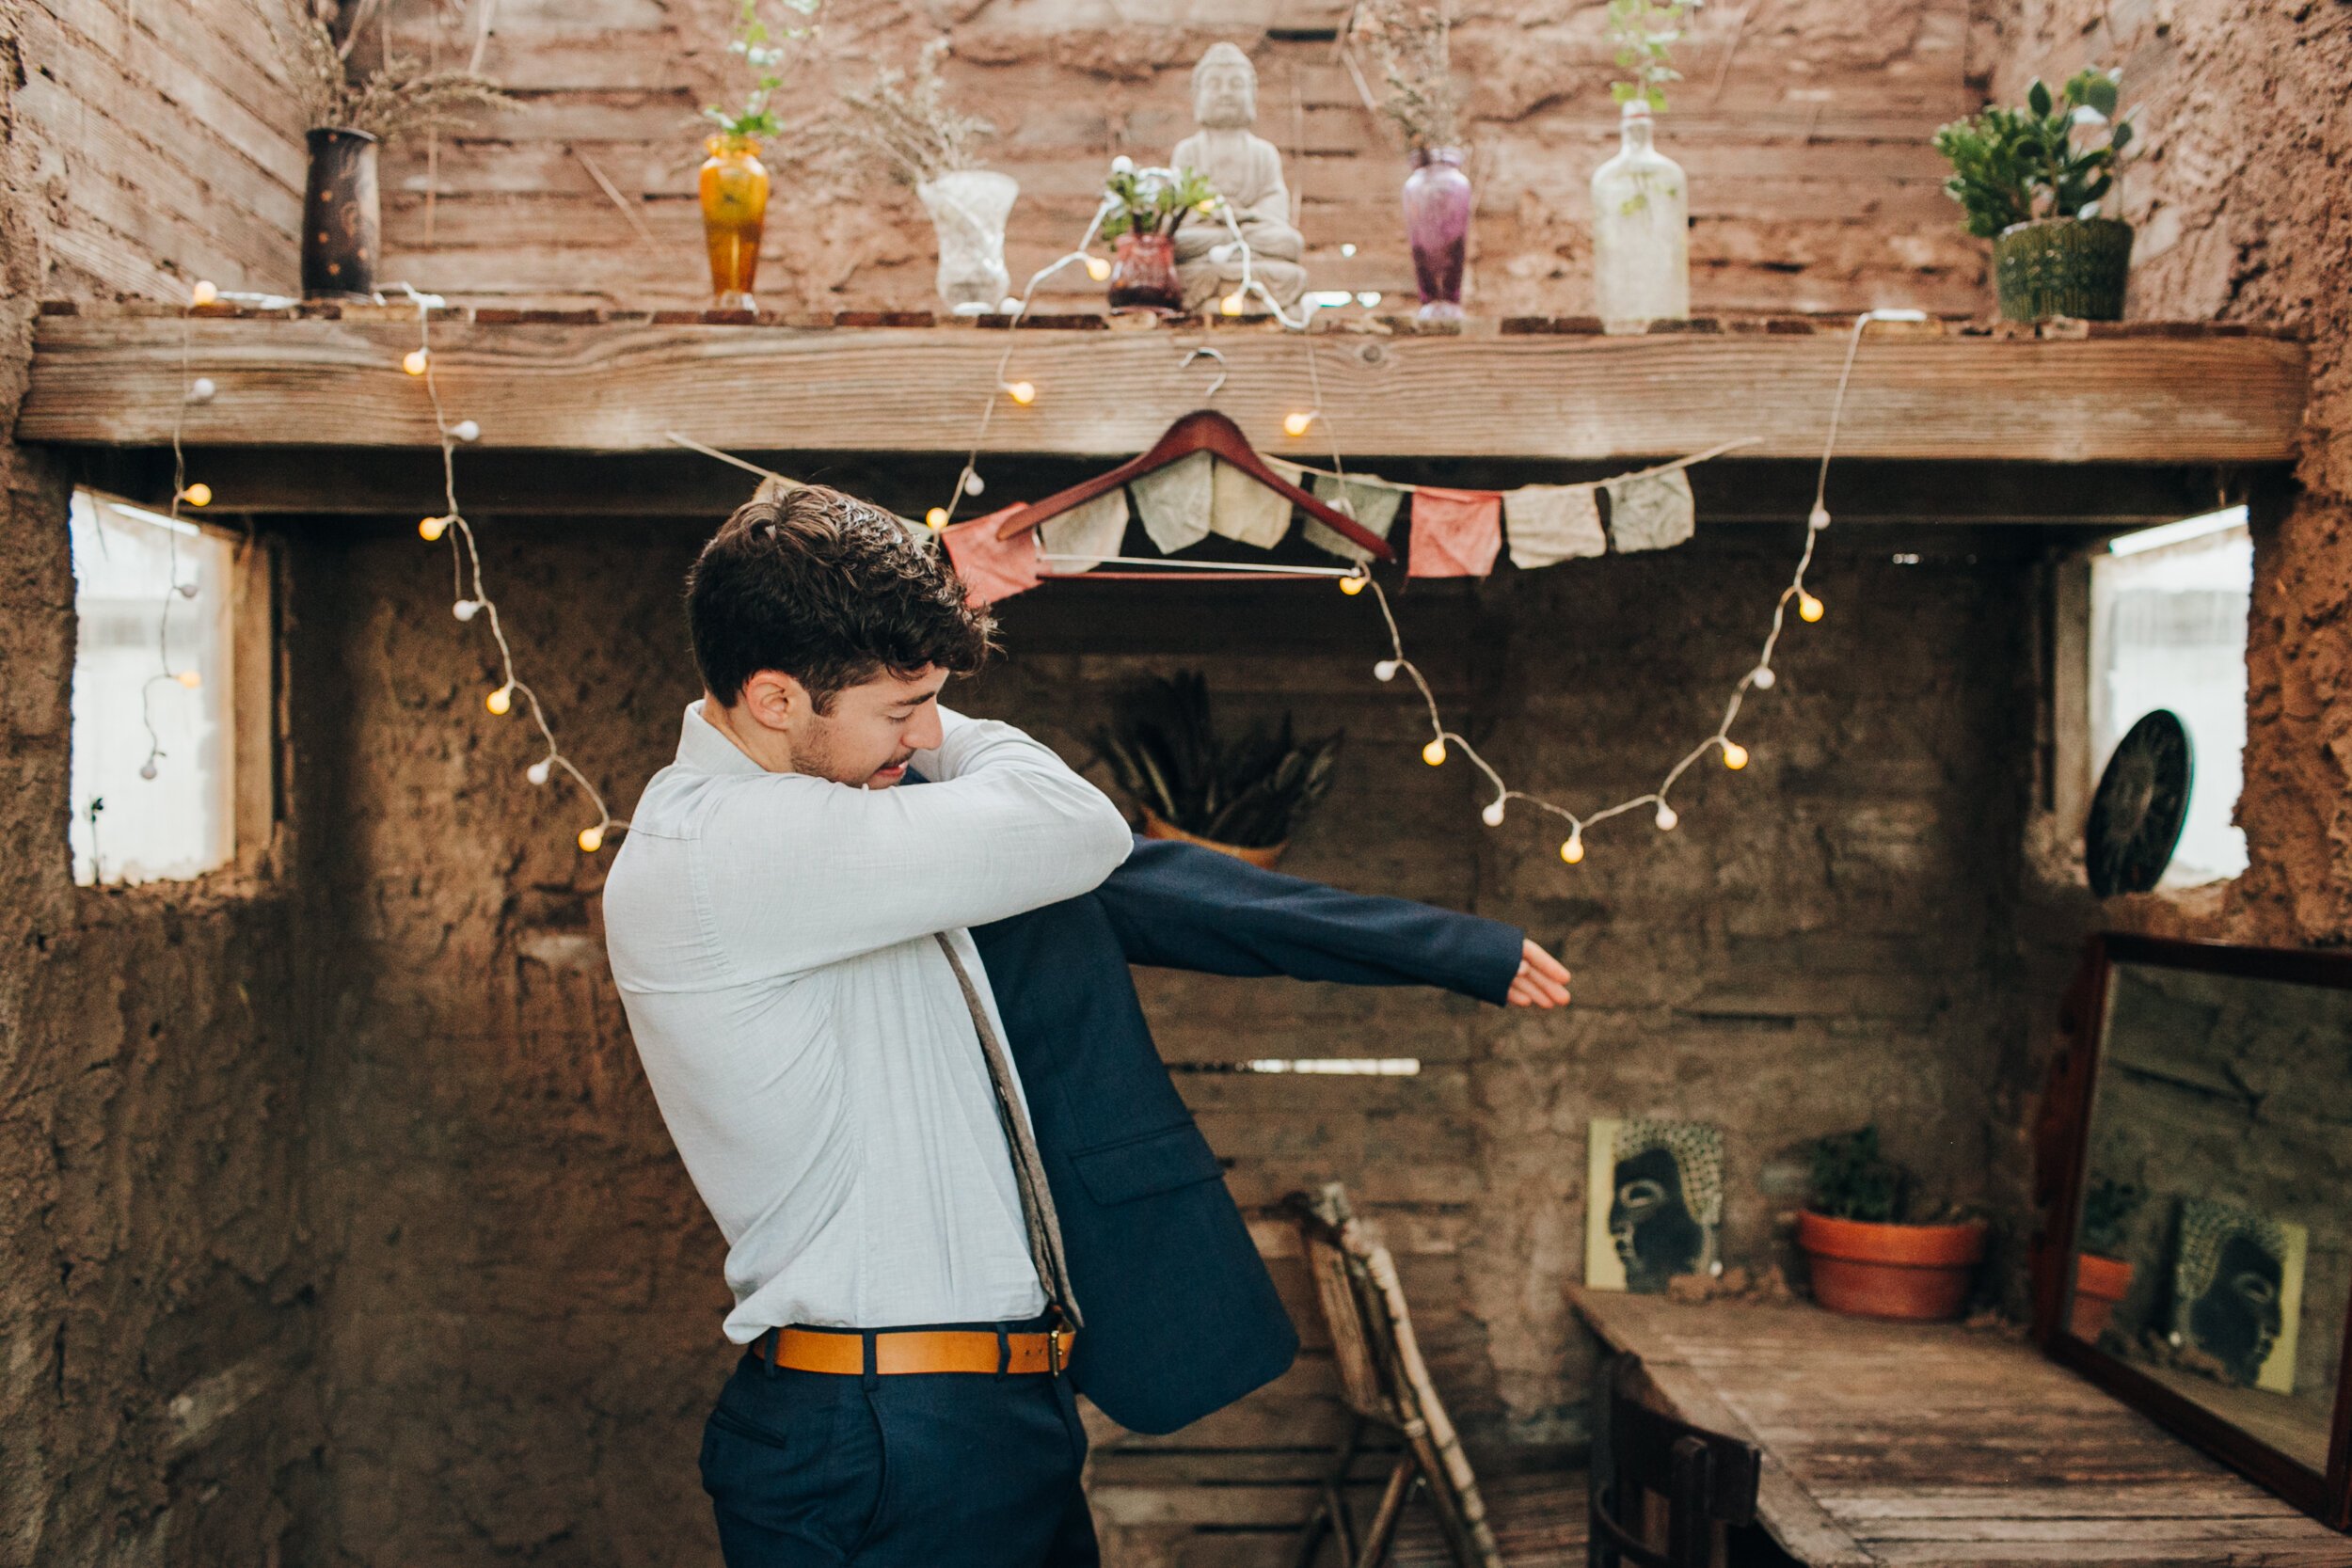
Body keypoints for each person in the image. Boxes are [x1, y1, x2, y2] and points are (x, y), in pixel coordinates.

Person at [602, 483, 1571, 1567]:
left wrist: (1440, 950)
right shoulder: (723, 848)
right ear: (774, 698)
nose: (923, 735)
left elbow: (1124, 882)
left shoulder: (851, 819)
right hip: (886, 1434)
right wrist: (938, 736)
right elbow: (1076, 829)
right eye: (901, 705)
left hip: (973, 1417)